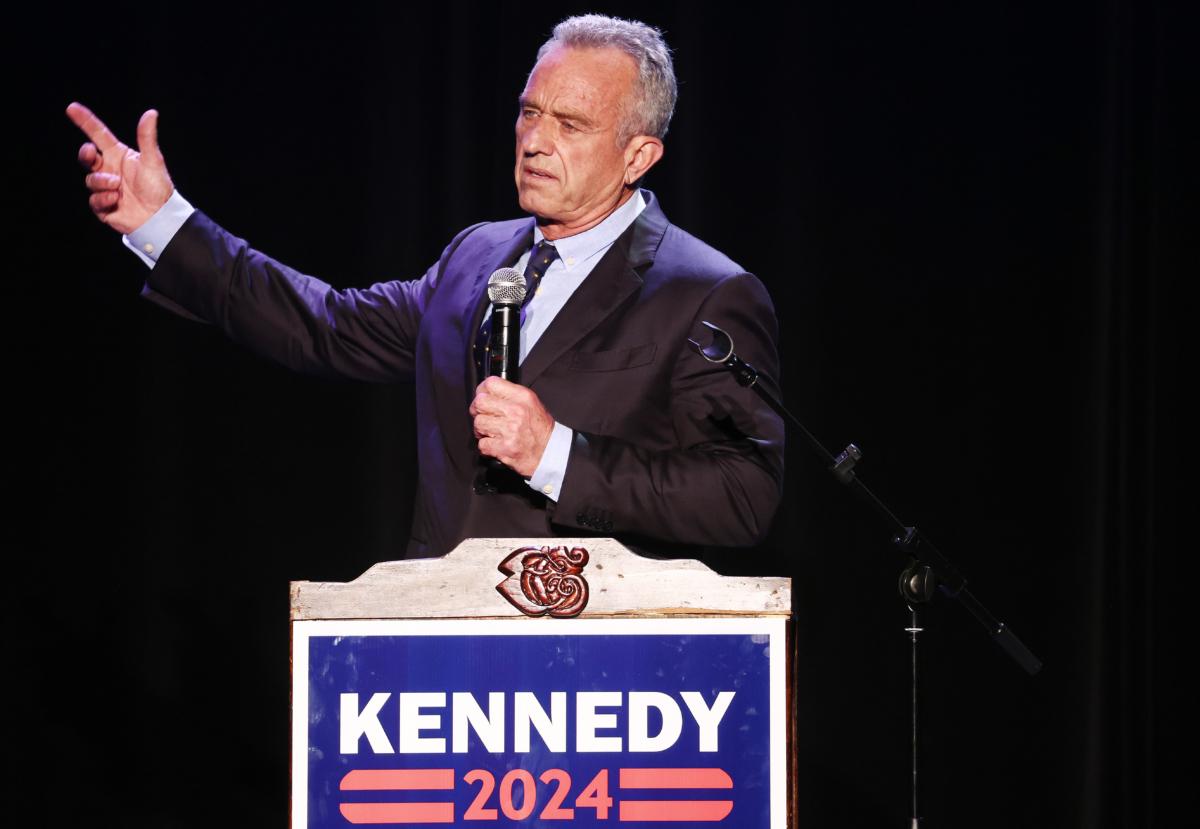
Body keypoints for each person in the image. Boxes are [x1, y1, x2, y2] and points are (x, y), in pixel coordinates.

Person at [66, 14, 784, 560]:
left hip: (600, 667)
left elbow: (742, 495)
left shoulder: (703, 292)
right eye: (530, 112)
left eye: (570, 124)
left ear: (638, 154)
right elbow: (323, 325)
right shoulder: (477, 257)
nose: (535, 141)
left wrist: (557, 453)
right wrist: (164, 223)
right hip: (440, 651)